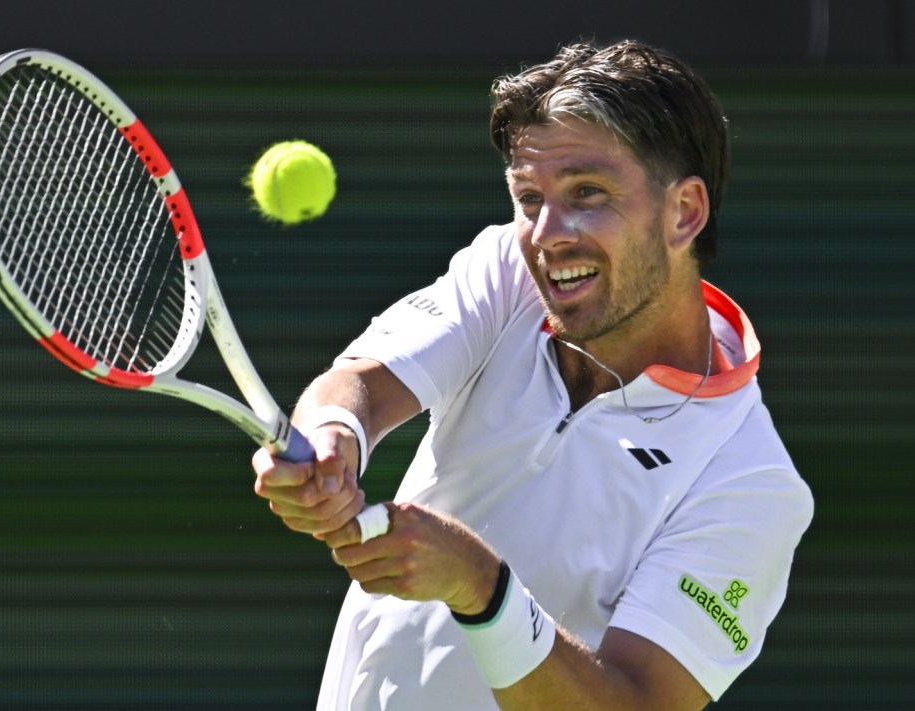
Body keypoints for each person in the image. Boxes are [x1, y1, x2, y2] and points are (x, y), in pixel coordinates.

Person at [252, 39, 814, 710]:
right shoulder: (507, 274)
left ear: (684, 212)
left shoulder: (750, 483)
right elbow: (363, 385)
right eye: (528, 197)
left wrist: (481, 588)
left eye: (586, 193)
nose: (547, 234)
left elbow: (637, 703)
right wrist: (334, 437)